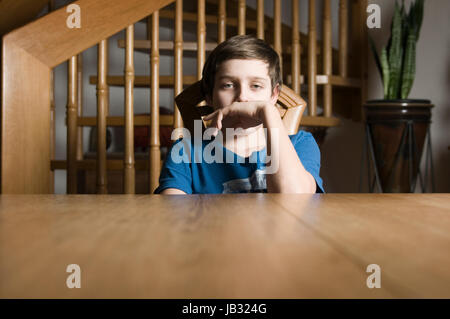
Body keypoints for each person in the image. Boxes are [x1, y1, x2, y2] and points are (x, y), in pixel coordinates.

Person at [154, 35, 324, 194]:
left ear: (274, 95)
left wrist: (268, 113)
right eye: (228, 85)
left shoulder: (300, 144)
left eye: (256, 86)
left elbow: (294, 202)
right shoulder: (186, 151)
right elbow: (172, 216)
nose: (242, 97)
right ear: (209, 96)